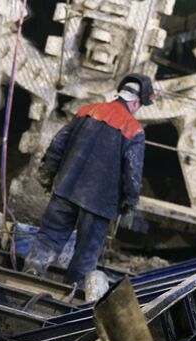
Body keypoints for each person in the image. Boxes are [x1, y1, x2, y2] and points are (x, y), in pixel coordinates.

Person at [22, 73, 155, 288]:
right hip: (99, 204)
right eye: (140, 105)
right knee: (86, 253)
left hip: (65, 189)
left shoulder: (87, 111)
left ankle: (31, 272)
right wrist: (130, 203)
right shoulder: (134, 130)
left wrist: (48, 174)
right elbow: (132, 172)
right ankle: (72, 295)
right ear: (136, 101)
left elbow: (58, 145)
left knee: (49, 237)